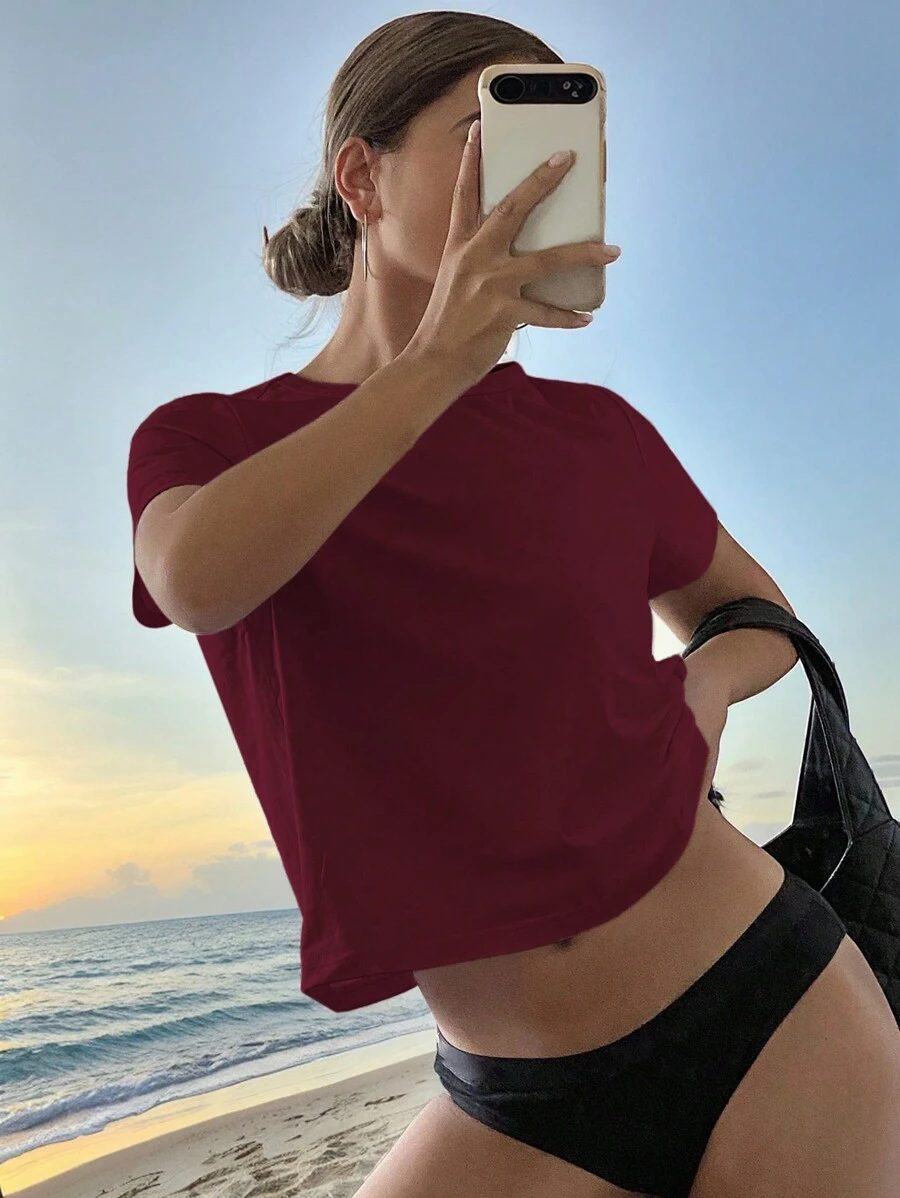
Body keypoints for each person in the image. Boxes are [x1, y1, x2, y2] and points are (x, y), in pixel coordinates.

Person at [127, 12, 900, 1198]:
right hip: (516, 1092)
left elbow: (758, 615)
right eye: (491, 134)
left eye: (569, 151)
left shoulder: (599, 435)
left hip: (773, 1002)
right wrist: (435, 361)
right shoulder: (210, 441)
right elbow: (197, 580)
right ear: (360, 177)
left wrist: (700, 687)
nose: (539, 177)